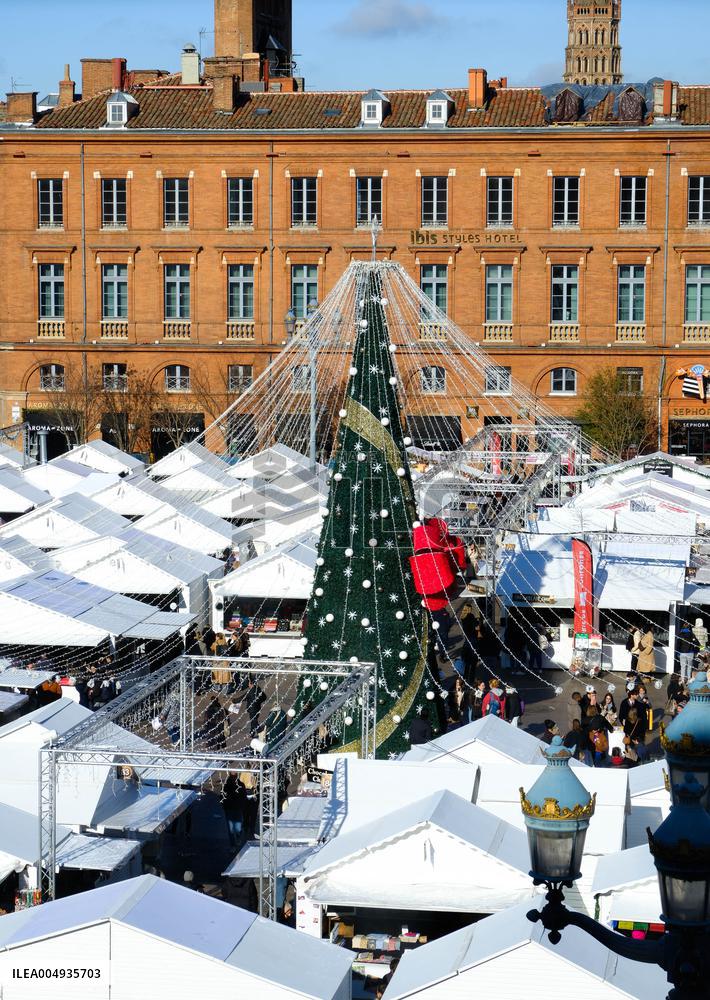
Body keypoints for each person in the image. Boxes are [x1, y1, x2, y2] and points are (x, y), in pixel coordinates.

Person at [221, 773, 248, 848]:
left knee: (237, 828)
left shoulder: (240, 785)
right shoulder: (226, 785)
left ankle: (238, 839)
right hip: (230, 809)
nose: (233, 778)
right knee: (231, 829)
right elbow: (222, 796)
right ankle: (233, 844)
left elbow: (244, 797)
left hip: (237, 809)